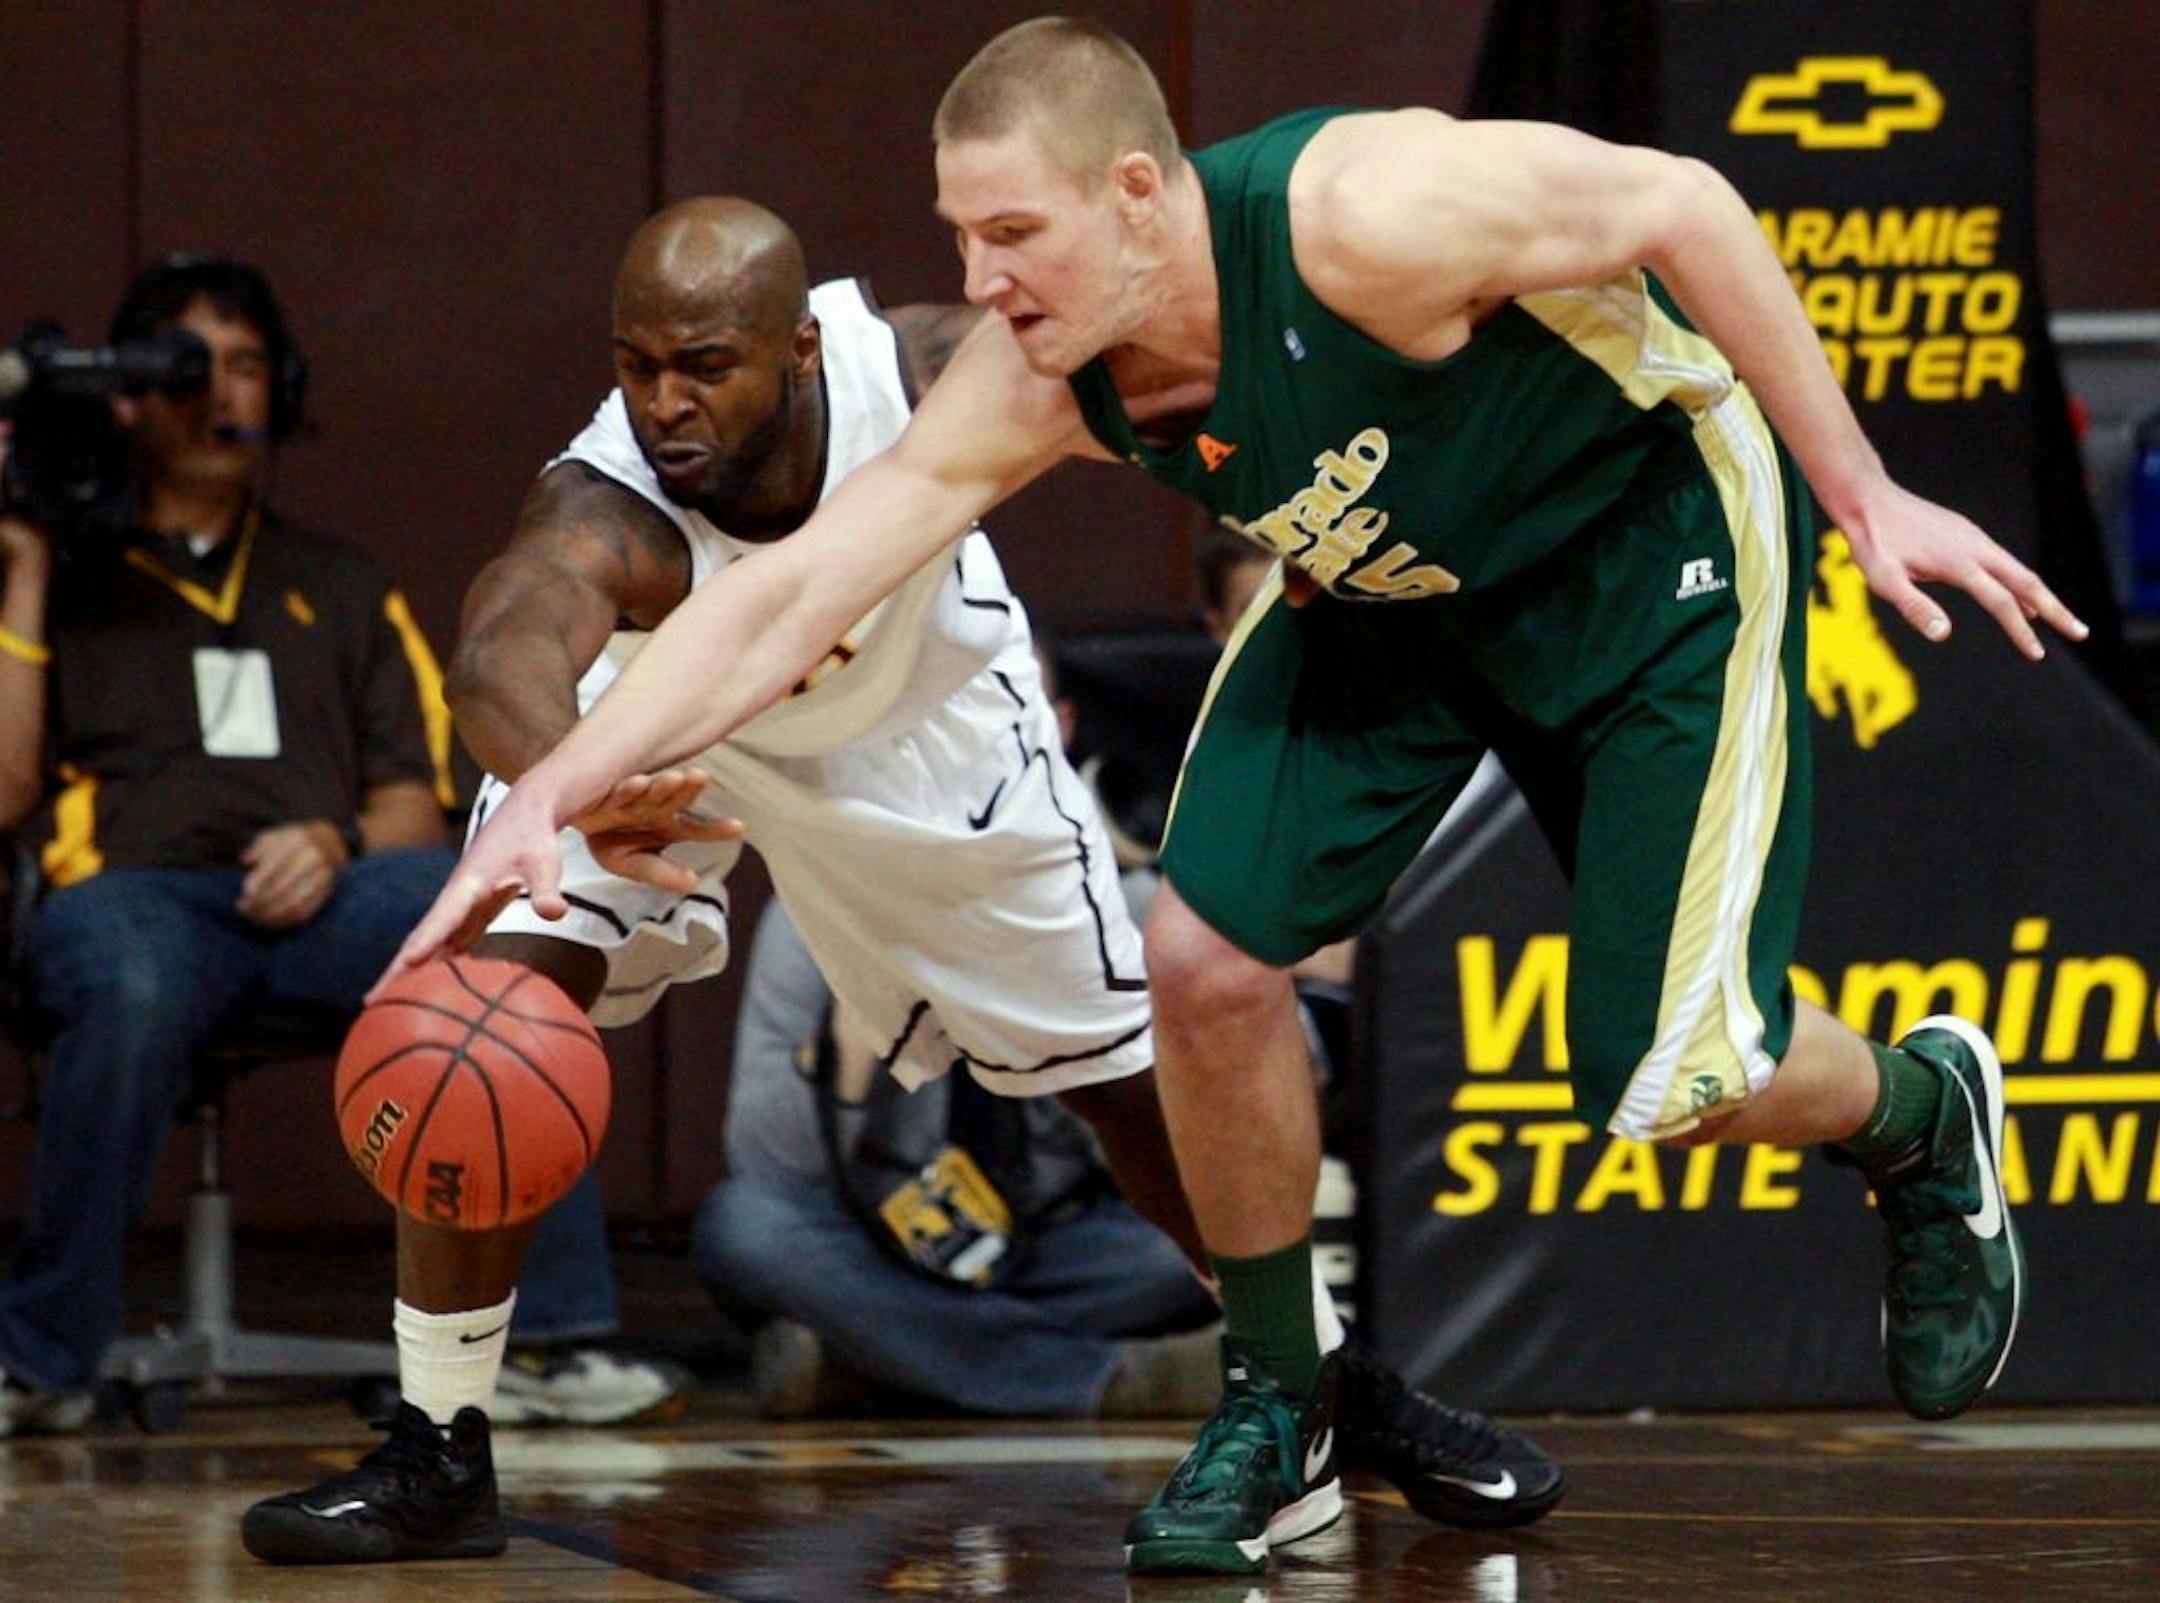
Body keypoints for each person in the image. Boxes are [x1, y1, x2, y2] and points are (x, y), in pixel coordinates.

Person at [393, 16, 2086, 1576]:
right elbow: (780, 590)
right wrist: (558, 785)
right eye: (959, 236)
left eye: (1014, 235)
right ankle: (1282, 1407)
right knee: (1199, 967)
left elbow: (1686, 199)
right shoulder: (1040, 368)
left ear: (1138, 194)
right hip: (1390, 594)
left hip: (1641, 566)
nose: (978, 278)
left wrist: (1859, 489)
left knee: (1669, 1075)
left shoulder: (1371, 212)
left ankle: (1917, 1110)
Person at [242, 196, 1561, 1565]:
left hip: (915, 727)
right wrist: (558, 782)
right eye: (636, 364)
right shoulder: (608, 495)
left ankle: (1330, 1384)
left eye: (704, 364)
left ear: (801, 348)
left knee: (1123, 1074)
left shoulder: (927, 366)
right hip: (647, 737)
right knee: (487, 1014)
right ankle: (439, 1443)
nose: (662, 401)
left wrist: (1327, 510)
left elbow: (1182, 374)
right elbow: (504, 643)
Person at [0, 256, 458, 1433]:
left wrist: (335, 836)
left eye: (246, 365)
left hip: (329, 903)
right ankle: (44, 1358)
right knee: (136, 973)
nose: (220, 396)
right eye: (186, 368)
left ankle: (545, 1341)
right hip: (132, 905)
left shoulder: (342, 583)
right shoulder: (65, 577)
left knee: (474, 922)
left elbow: (424, 802)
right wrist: (28, 565)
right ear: (128, 395)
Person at [697, 892, 1222, 1421]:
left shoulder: (1077, 898)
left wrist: (1077, 1042)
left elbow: (1150, 1145)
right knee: (744, 1226)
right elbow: (769, 1168)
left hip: (1049, 1243)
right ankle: (1107, 1380)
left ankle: (869, 1365)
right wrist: (847, 1060)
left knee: (1183, 1252)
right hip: (875, 1248)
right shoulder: (807, 909)